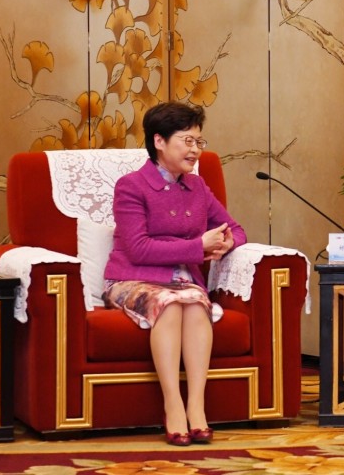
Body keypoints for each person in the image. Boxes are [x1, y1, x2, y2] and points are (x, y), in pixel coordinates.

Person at [102, 102, 244, 446]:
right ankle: (173, 404)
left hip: (183, 282)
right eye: (187, 141)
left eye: (199, 141)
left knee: (195, 302)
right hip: (132, 279)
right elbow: (138, 249)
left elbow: (236, 229)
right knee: (169, 302)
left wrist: (226, 243)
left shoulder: (197, 186)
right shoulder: (131, 186)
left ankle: (196, 404)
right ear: (159, 141)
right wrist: (198, 246)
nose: (195, 150)